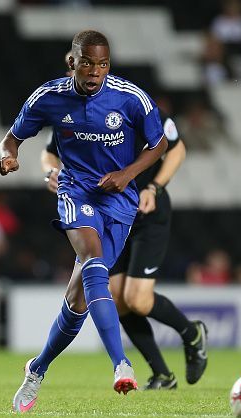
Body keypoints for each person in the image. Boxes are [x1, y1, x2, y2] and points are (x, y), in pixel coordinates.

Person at [0, 30, 169, 412]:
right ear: (71, 62)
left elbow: (159, 145)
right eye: (88, 62)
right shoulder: (50, 97)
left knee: (77, 300)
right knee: (94, 263)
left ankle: (37, 369)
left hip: (119, 201)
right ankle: (120, 363)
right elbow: (11, 138)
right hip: (75, 192)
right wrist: (9, 156)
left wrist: (127, 174)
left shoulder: (130, 97)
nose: (95, 71)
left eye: (103, 64)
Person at [41, 78, 208, 390]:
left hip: (146, 212)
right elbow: (49, 153)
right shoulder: (73, 115)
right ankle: (162, 374)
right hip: (106, 214)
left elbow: (176, 148)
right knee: (115, 299)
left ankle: (192, 333)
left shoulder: (135, 105)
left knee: (137, 299)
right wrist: (52, 173)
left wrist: (154, 188)